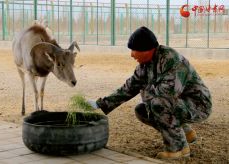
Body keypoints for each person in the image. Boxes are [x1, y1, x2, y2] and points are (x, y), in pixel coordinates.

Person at [88, 26, 212, 160]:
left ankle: (178, 149)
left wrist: (146, 94)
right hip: (177, 104)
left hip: (198, 105)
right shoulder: (145, 64)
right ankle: (185, 133)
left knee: (157, 103)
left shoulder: (172, 60)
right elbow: (129, 87)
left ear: (147, 49)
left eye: (134, 50)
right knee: (142, 110)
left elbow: (169, 93)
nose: (131, 54)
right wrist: (100, 103)